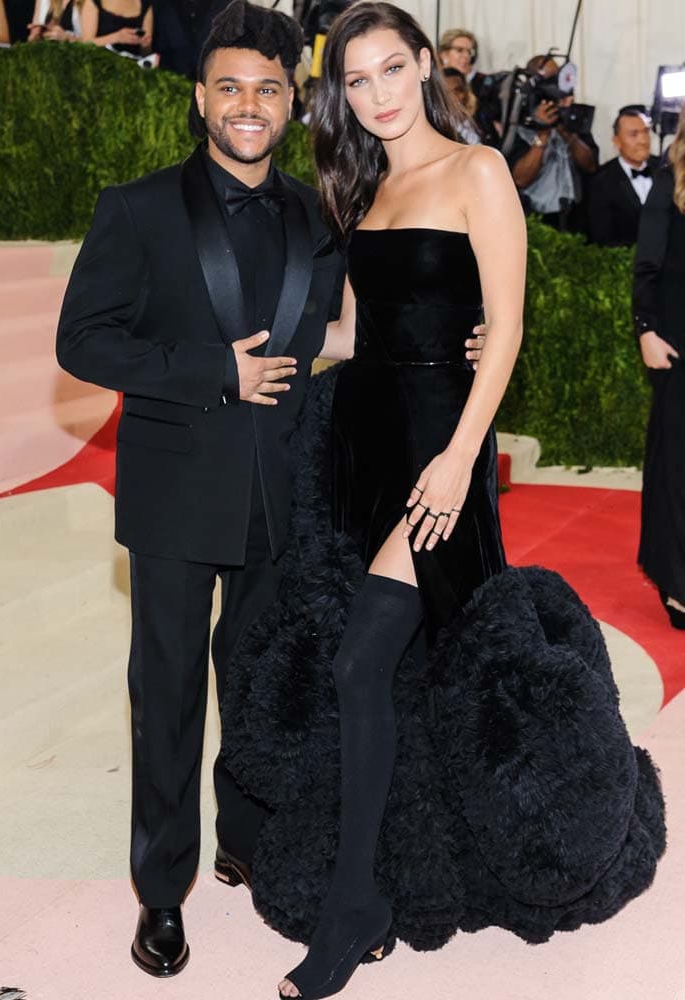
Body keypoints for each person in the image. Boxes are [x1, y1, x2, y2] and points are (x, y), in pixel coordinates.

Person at [209, 5, 664, 999]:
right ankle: (396, 861)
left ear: (423, 65)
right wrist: (246, 346)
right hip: (368, 445)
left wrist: (462, 457)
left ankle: (355, 907)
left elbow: (502, 329)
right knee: (397, 669)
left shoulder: (478, 171)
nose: (374, 94)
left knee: (364, 652)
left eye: (388, 70)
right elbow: (353, 335)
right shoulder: (366, 187)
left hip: (436, 449)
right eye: (356, 80)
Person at [56, 0, 489, 978]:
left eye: (266, 89)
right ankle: (161, 893)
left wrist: (452, 338)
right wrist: (213, 369)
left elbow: (356, 327)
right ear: (198, 98)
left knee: (256, 683)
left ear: (291, 101)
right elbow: (80, 340)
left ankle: (241, 832)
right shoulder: (136, 207)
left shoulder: (316, 212)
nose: (247, 105)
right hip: (173, 497)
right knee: (164, 697)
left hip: (283, 494)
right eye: (228, 88)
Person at [633, 105, 685, 629]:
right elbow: (647, 262)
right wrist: (645, 329)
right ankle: (679, 583)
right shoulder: (669, 181)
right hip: (678, 346)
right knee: (677, 470)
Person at [505, 54, 598, 233]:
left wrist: (568, 132)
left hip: (576, 219)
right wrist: (543, 133)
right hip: (536, 222)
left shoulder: (571, 119)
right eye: (550, 80)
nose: (558, 87)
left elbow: (590, 165)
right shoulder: (517, 123)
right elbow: (519, 179)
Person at [589, 106, 661, 246]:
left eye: (646, 132)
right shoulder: (602, 181)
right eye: (634, 134)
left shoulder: (665, 170)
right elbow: (602, 238)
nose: (643, 140)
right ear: (617, 141)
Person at [152, 0, 227, 77]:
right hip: (173, 78)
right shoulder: (162, 6)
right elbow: (158, 47)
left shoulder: (227, 5)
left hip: (215, 77)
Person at [80, 0, 153, 54]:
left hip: (131, 67)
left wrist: (145, 45)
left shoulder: (146, 4)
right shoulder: (93, 2)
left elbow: (145, 53)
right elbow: (85, 44)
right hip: (98, 64)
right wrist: (117, 37)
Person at [442, 67, 481, 144]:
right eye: (447, 93)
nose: (454, 97)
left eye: (458, 90)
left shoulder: (481, 119)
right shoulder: (440, 131)